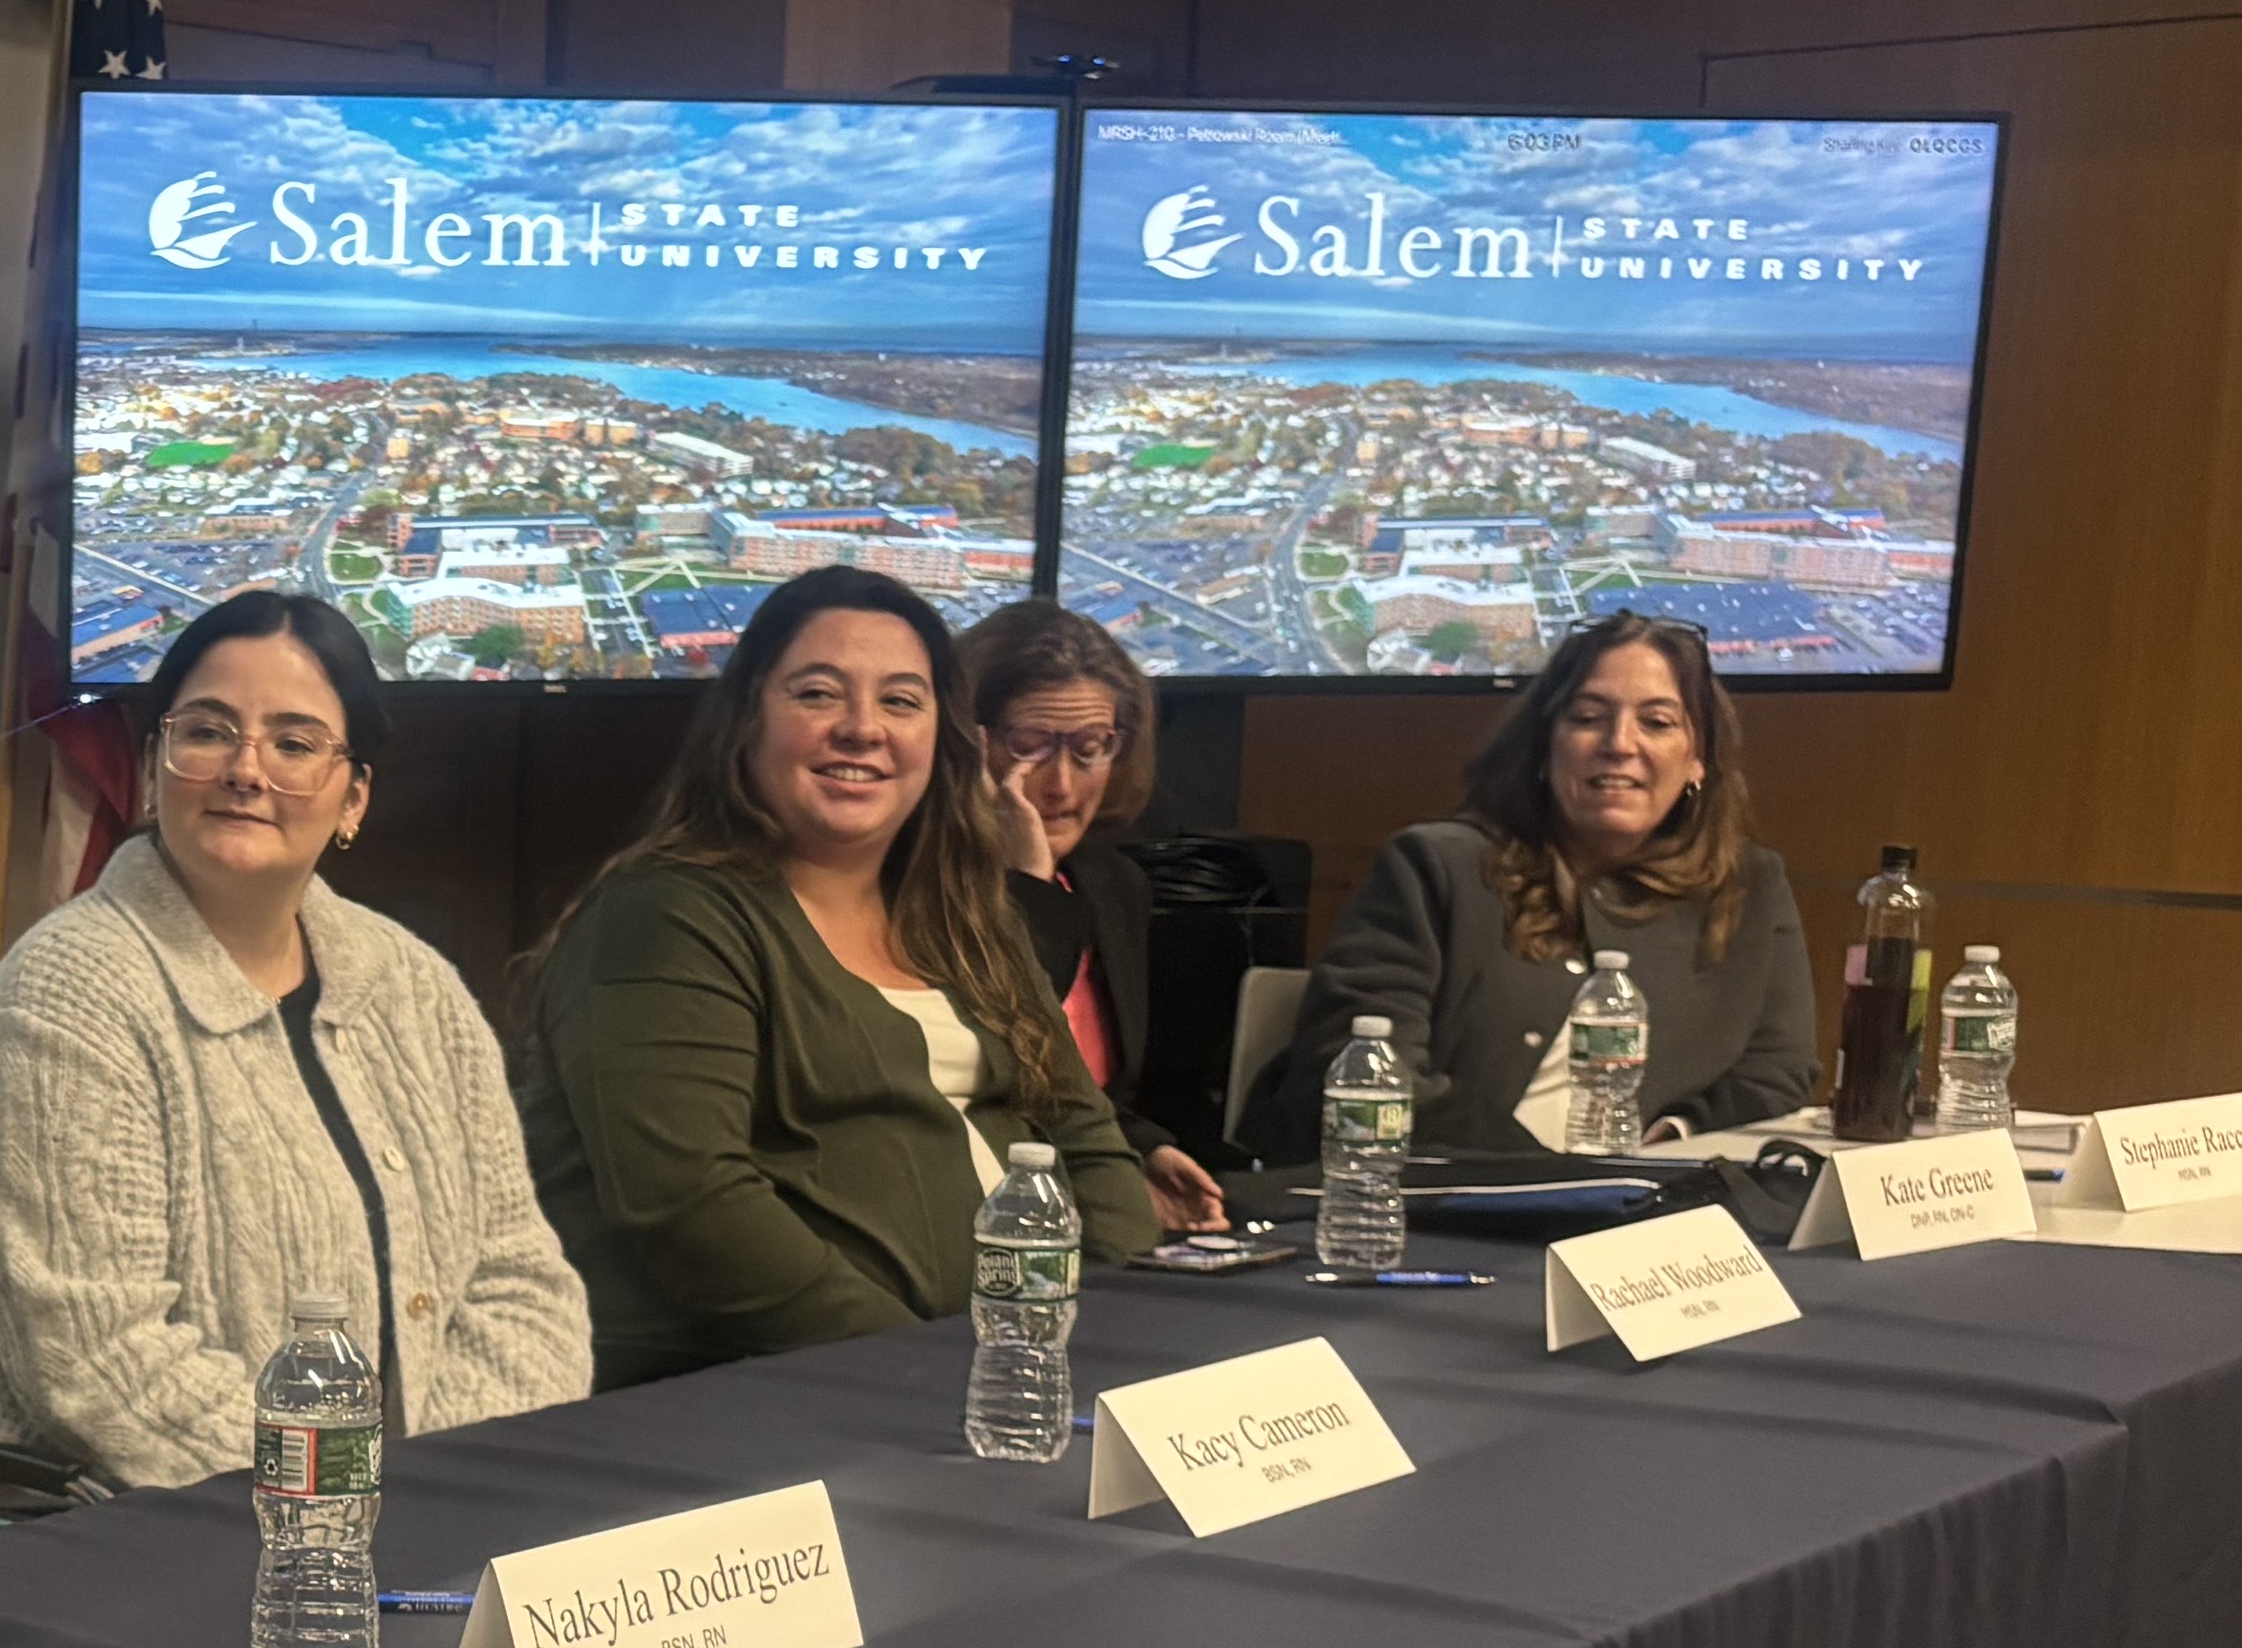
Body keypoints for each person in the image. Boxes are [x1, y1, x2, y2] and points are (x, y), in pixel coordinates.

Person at [0, 588, 585, 1485]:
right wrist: (364, 1495)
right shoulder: (61, 1009)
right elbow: (110, 1371)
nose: (246, 768)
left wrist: (448, 1485)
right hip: (130, 1540)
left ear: (354, 798)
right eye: (207, 731)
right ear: (154, 767)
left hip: (412, 1514)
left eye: (296, 743)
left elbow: (523, 1287)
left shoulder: (417, 989)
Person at [517, 568, 1157, 1385]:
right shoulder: (664, 916)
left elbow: (1088, 1141)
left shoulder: (969, 916)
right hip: (760, 1408)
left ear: (942, 737)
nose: (863, 729)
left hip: (1011, 1385)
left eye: (900, 701)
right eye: (818, 694)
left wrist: (1117, 1334)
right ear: (746, 720)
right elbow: (691, 1206)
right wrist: (925, 1372)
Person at [1229, 610, 1814, 1158]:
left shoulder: (1751, 888)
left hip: (1646, 1213)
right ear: (1544, 746)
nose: (1620, 743)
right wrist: (1548, 1181)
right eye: (1587, 718)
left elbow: (1777, 1070)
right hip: (1430, 1207)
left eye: (1657, 722)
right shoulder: (1434, 868)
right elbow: (1364, 1076)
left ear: (1698, 760)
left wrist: (1667, 1141)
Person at [960, 598, 1232, 1234]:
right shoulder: (911, 890)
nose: (1060, 786)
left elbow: (1082, 1092)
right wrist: (1024, 888)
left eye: (1090, 748)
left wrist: (1142, 1150)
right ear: (964, 742)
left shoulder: (1113, 885)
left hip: (1088, 1215)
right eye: (1030, 746)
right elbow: (994, 1072)